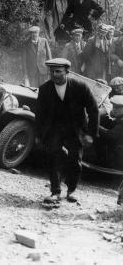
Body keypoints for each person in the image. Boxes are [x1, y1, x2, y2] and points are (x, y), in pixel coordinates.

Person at [36, 58, 99, 205]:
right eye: (52, 71)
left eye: (58, 71)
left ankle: (71, 190)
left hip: (75, 128)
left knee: (75, 160)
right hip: (55, 128)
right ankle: (55, 192)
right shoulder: (45, 89)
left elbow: (93, 109)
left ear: (67, 72)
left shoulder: (80, 86)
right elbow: (39, 113)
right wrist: (39, 135)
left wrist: (90, 133)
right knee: (53, 156)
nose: (54, 74)